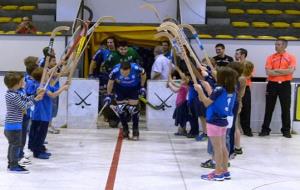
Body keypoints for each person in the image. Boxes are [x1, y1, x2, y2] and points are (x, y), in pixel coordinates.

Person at [194, 66, 237, 181]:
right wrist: (207, 88)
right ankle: (225, 171)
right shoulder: (232, 90)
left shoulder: (219, 89)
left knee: (217, 148)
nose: (216, 74)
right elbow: (216, 99)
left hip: (214, 120)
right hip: (223, 120)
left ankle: (218, 173)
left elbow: (207, 102)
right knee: (222, 147)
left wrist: (199, 91)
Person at [4, 72, 44, 173]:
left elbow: (26, 99)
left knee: (13, 146)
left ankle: (12, 164)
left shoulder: (15, 93)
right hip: (13, 127)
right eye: (22, 82)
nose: (23, 83)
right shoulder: (13, 95)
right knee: (15, 146)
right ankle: (13, 166)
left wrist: (36, 94)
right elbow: (24, 106)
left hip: (13, 126)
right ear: (16, 84)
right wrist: (36, 100)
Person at [28, 68, 69, 159]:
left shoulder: (47, 85)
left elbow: (55, 91)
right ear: (42, 77)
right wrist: (63, 88)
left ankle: (38, 148)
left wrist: (64, 86)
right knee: (39, 134)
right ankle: (37, 152)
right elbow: (53, 95)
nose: (48, 76)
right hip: (40, 114)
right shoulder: (40, 87)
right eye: (47, 74)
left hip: (45, 114)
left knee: (41, 133)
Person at [259, 39, 296, 138]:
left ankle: (286, 131)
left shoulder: (291, 57)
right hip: (272, 85)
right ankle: (265, 130)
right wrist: (283, 71)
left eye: (278, 44)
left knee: (286, 108)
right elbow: (268, 72)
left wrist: (276, 70)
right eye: (275, 44)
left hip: (285, 85)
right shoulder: (270, 57)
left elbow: (290, 71)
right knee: (269, 108)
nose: (276, 46)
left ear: (284, 46)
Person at [104, 61, 146, 140]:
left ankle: (135, 130)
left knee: (134, 109)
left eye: (127, 73)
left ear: (130, 69)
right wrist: (108, 95)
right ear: (120, 69)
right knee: (120, 109)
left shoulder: (136, 68)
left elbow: (144, 75)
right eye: (123, 73)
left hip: (133, 88)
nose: (125, 75)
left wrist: (142, 86)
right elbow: (110, 83)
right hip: (120, 89)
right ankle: (125, 128)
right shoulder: (115, 71)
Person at [235, 48, 254, 137]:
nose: (236, 55)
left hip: (245, 88)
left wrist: (240, 76)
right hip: (234, 88)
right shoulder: (234, 64)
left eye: (237, 54)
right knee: (235, 108)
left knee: (246, 109)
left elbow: (248, 75)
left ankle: (247, 130)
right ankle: (235, 129)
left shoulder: (249, 64)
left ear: (243, 55)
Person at [167, 66, 190, 136]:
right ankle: (181, 130)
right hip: (179, 103)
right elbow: (173, 83)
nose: (181, 80)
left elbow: (174, 89)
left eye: (183, 79)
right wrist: (170, 74)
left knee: (181, 118)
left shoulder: (184, 86)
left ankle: (182, 131)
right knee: (180, 117)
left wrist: (170, 83)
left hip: (182, 103)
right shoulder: (183, 85)